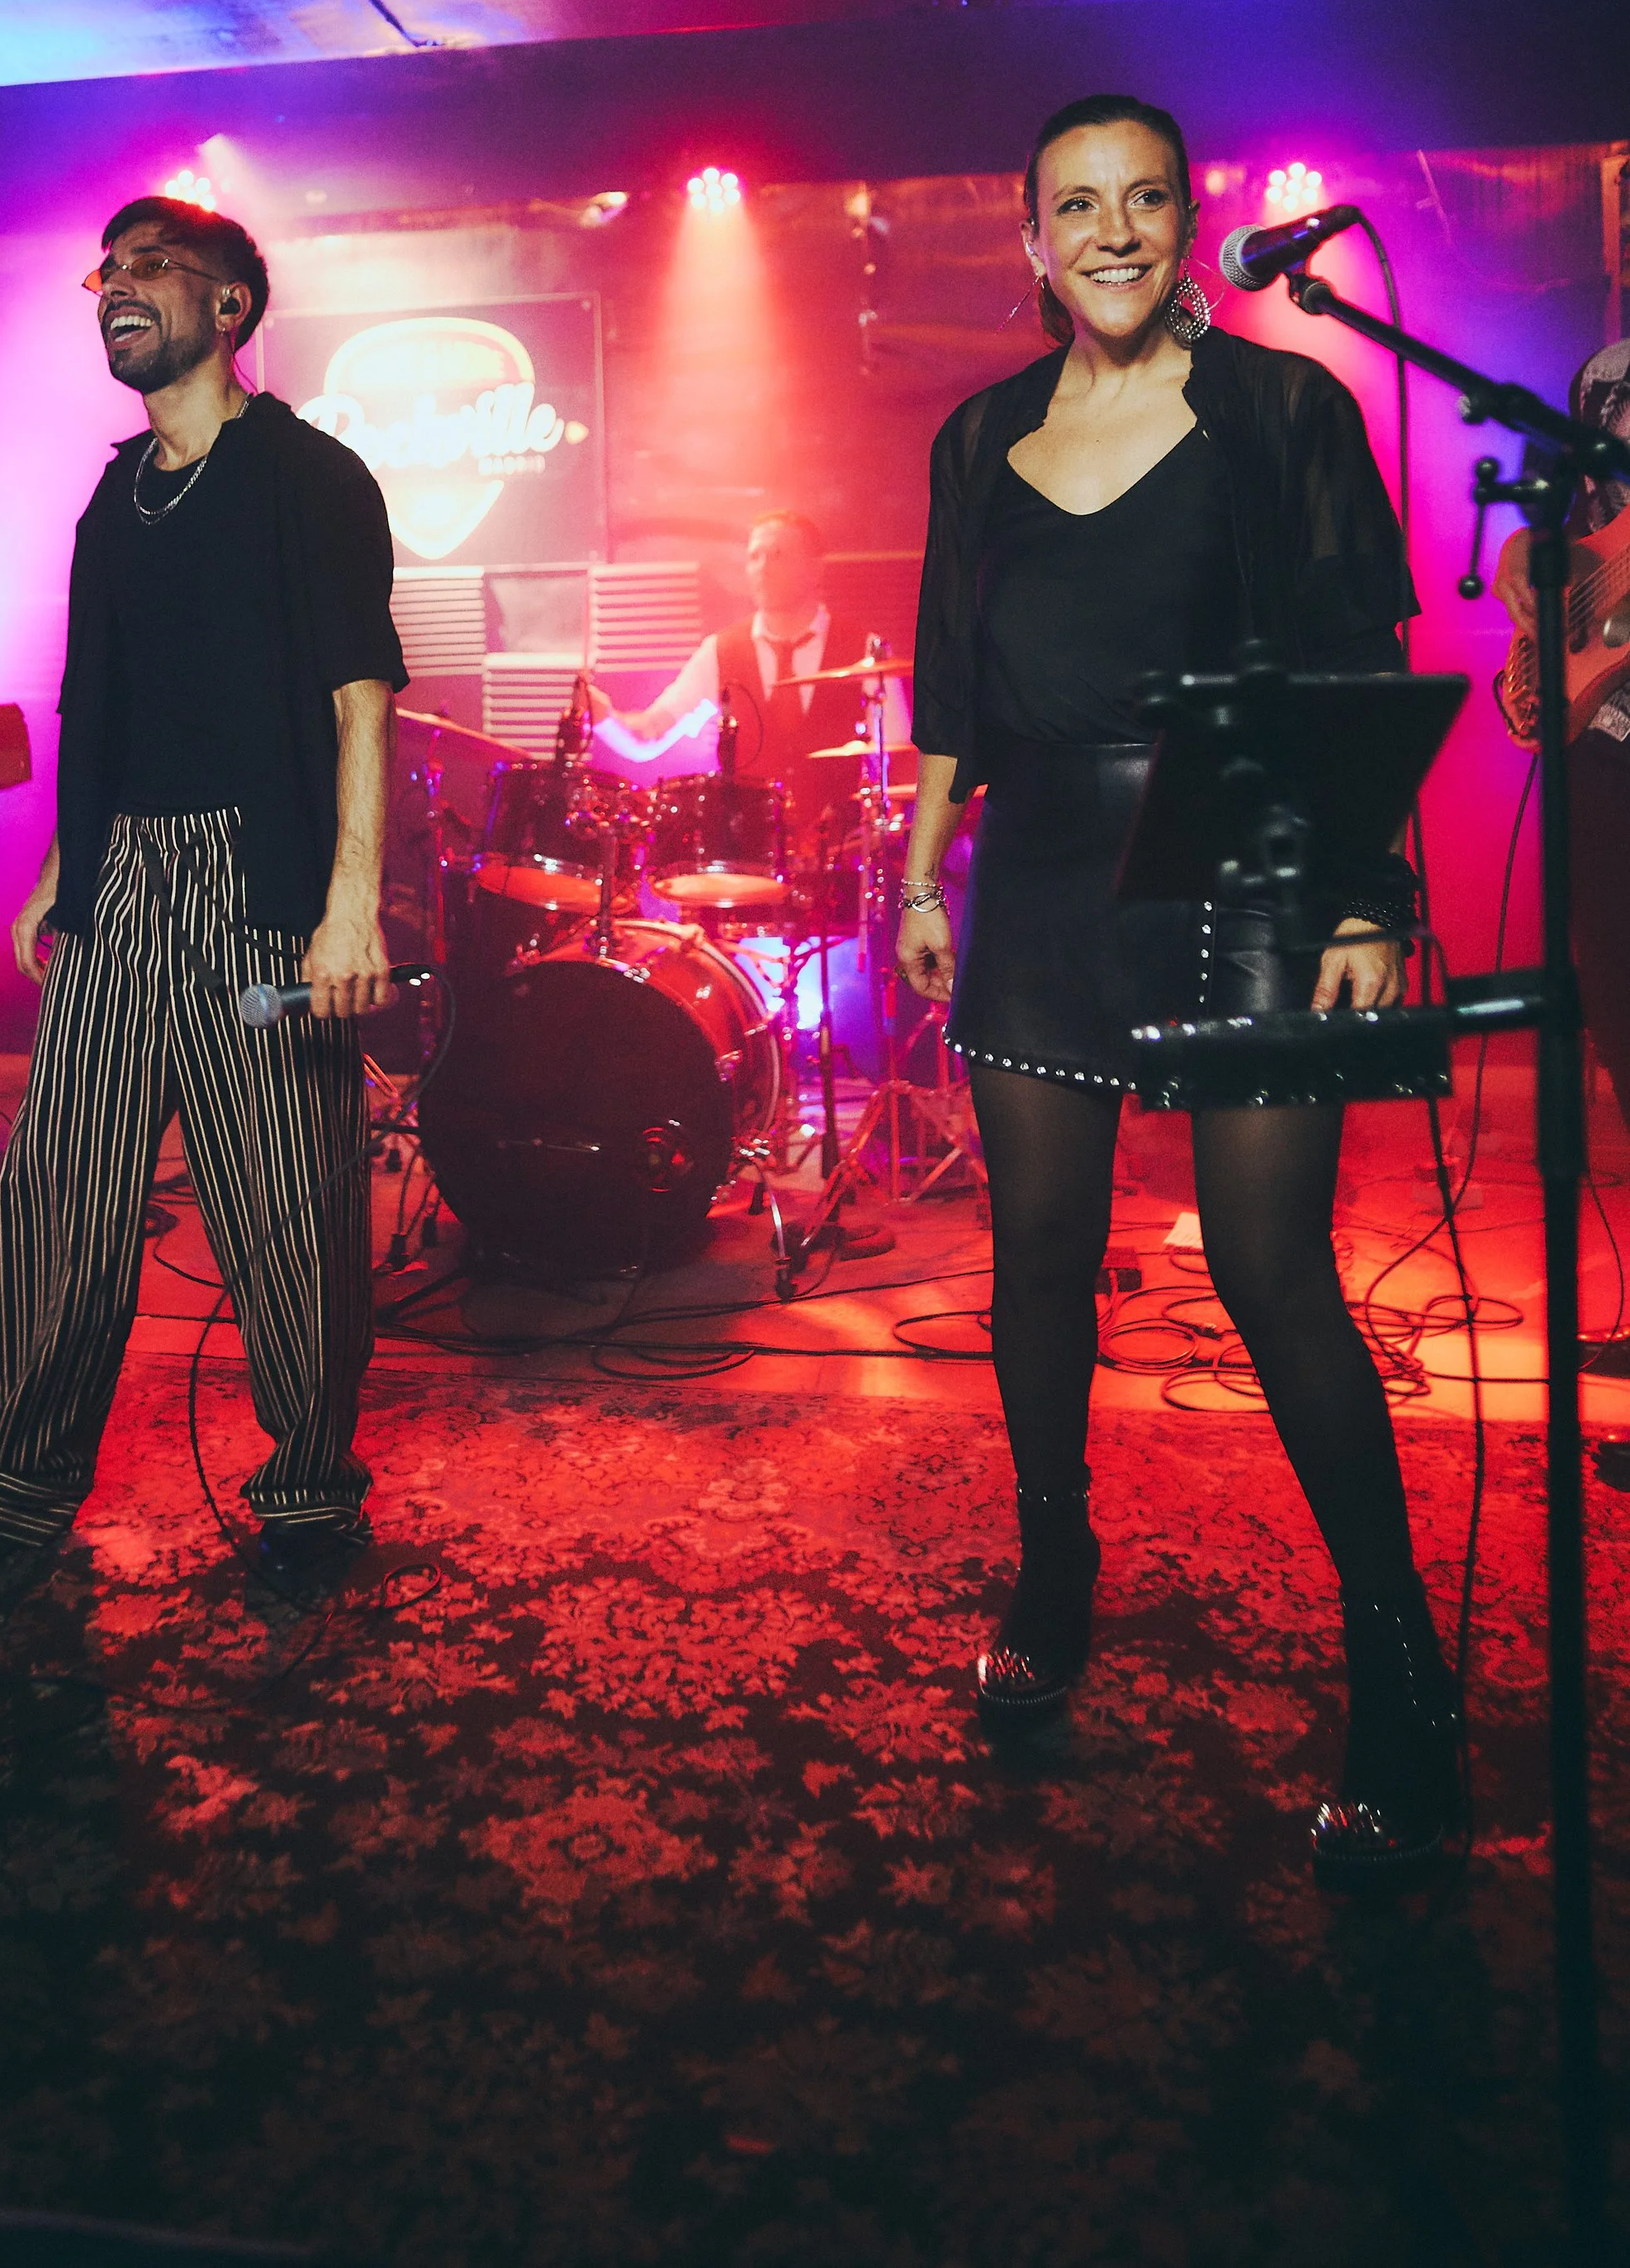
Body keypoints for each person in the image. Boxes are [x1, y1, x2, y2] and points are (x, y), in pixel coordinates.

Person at [897, 92, 1460, 1884]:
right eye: (1077, 205)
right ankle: (1054, 1567)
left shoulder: (1282, 409)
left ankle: (1400, 1668)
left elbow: (1355, 657)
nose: (1113, 232)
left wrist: (1366, 892)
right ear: (1032, 240)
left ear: (1187, 222)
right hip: (1041, 873)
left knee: (1268, 1269)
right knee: (1038, 1261)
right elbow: (947, 687)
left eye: (1143, 199)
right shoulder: (978, 436)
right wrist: (919, 871)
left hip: (1246, 847)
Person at [0, 197, 408, 1616]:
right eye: (106, 272)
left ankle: (308, 1489)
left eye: (150, 268)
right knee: (60, 1183)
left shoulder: (309, 477)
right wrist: (63, 867)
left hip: (261, 889)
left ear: (230, 306)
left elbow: (361, 697)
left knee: (285, 1203)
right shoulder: (115, 494)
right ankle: (16, 1479)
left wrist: (350, 905)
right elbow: (101, 702)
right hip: (124, 878)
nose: (116, 288)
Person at [1491, 334, 1630, 1135]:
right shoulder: (1603, 371)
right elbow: (1577, 524)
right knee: (1614, 989)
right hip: (1602, 749)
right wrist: (1524, 547)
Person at [588, 510, 910, 836]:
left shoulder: (864, 650)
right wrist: (604, 718)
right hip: (749, 852)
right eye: (755, 556)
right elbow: (650, 734)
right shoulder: (721, 650)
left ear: (816, 568)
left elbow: (900, 763)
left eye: (777, 555)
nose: (763, 567)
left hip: (840, 851)